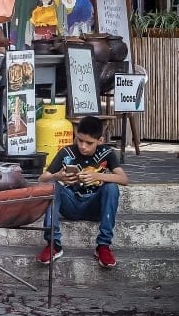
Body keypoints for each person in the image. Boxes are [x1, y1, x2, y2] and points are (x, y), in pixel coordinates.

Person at [36, 115, 129, 269]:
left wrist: (98, 176)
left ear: (100, 140)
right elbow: (41, 179)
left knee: (112, 187)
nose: (83, 146)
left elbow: (124, 179)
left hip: (94, 207)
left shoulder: (106, 153)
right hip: (71, 205)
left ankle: (103, 246)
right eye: (80, 140)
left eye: (89, 143)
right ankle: (53, 244)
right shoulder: (67, 152)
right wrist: (57, 176)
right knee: (52, 186)